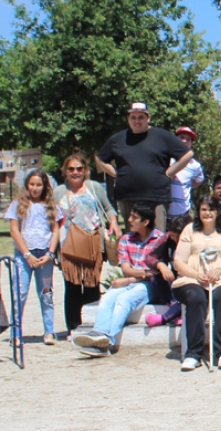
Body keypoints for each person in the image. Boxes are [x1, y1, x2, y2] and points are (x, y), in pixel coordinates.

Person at [72, 202, 172, 357]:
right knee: (107, 299)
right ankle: (98, 333)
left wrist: (129, 280)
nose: (129, 220)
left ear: (145, 222)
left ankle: (109, 341)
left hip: (149, 285)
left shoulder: (160, 239)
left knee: (124, 300)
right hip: (131, 280)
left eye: (134, 217)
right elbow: (127, 269)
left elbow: (154, 273)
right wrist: (138, 275)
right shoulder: (126, 239)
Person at [95, 102, 193, 231]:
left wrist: (169, 173)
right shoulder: (117, 139)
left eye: (141, 117)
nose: (137, 121)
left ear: (148, 118)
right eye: (133, 117)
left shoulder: (162, 136)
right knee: (132, 239)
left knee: (157, 240)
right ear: (128, 119)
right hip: (128, 196)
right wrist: (116, 174)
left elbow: (187, 154)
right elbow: (100, 158)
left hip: (156, 196)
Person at [171, 195, 221, 371]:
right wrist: (196, 275)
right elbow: (179, 261)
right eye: (203, 209)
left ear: (217, 211)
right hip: (192, 278)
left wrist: (219, 271)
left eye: (211, 209)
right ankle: (193, 353)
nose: (207, 213)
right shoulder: (189, 230)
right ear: (198, 212)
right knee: (196, 298)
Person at [53, 152, 121, 336]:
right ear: (65, 171)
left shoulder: (94, 187)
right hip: (68, 245)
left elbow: (108, 208)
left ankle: (92, 325)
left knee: (91, 285)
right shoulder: (58, 192)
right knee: (72, 286)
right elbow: (51, 220)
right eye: (71, 169)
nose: (75, 172)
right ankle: (74, 328)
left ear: (85, 170)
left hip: (93, 243)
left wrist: (113, 222)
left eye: (79, 168)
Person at [6, 168, 63, 345]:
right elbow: (14, 231)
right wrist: (26, 254)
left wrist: (50, 253)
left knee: (46, 292)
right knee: (20, 293)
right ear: (27, 185)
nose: (35, 188)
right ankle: (15, 333)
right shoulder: (17, 205)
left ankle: (49, 331)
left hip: (44, 255)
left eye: (39, 185)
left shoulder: (51, 206)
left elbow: (55, 230)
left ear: (45, 186)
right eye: (32, 184)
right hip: (24, 255)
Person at [144, 214, 191, 328]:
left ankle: (164, 317)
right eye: (173, 236)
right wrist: (161, 265)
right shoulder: (168, 238)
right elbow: (150, 257)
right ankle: (174, 306)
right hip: (175, 283)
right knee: (156, 276)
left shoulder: (195, 241)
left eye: (178, 237)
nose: (175, 240)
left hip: (192, 281)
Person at [168, 126, 204, 222]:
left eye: (188, 139)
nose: (184, 141)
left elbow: (199, 180)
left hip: (182, 214)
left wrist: (188, 185)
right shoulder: (166, 159)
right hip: (164, 211)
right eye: (182, 137)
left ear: (191, 144)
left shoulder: (195, 165)